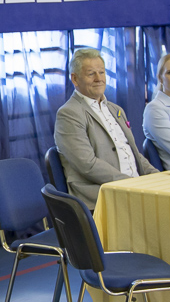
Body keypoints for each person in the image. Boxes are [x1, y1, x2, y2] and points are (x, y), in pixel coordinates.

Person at [54, 48, 158, 210]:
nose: (98, 79)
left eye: (101, 72)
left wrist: (158, 176)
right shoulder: (69, 114)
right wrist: (131, 184)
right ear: (75, 79)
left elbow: (133, 153)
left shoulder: (116, 110)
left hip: (133, 187)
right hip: (103, 194)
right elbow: (87, 164)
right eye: (91, 74)